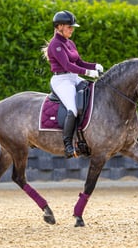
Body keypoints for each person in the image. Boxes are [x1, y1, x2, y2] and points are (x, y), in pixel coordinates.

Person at [42, 10, 104, 158]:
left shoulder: (70, 43)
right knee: (73, 109)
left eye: (72, 27)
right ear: (60, 26)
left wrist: (94, 66)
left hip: (74, 77)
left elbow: (79, 62)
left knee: (93, 93)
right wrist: (88, 73)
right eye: (69, 27)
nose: (72, 29)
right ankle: (68, 145)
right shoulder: (55, 45)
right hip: (62, 80)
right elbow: (67, 65)